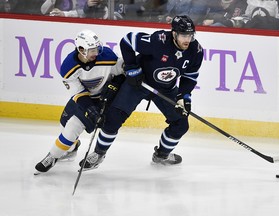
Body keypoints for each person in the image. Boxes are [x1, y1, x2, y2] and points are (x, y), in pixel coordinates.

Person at [79, 15, 204, 171]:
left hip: (166, 89)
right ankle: (98, 154)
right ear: (174, 33)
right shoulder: (159, 40)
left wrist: (184, 97)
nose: (187, 39)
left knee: (181, 124)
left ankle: (161, 155)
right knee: (113, 118)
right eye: (183, 35)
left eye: (191, 35)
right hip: (138, 84)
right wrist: (132, 68)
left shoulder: (196, 51)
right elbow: (127, 40)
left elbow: (189, 76)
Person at [34, 29, 125, 174]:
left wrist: (114, 86)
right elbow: (78, 92)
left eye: (97, 48)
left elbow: (124, 71)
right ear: (81, 50)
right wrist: (91, 110)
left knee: (71, 128)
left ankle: (52, 157)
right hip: (86, 100)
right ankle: (65, 151)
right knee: (64, 125)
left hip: (106, 100)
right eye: (92, 50)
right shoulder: (68, 67)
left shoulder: (107, 56)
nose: (96, 53)